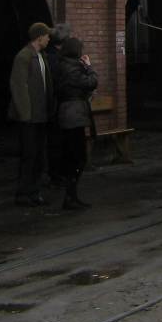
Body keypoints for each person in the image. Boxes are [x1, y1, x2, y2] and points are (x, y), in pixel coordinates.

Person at [9, 22, 53, 206]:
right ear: (39, 36)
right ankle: (23, 192)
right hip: (29, 117)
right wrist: (25, 114)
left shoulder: (41, 56)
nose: (49, 39)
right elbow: (19, 86)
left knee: (37, 156)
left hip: (41, 114)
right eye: (47, 35)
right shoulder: (24, 56)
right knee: (28, 155)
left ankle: (34, 191)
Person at [54, 38, 97, 211]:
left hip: (68, 113)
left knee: (73, 157)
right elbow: (91, 82)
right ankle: (70, 197)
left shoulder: (62, 65)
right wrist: (89, 66)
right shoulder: (72, 68)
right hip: (73, 114)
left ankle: (71, 195)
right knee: (77, 157)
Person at [44, 23, 72, 186]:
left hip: (54, 105)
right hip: (57, 106)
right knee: (57, 141)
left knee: (55, 141)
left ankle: (56, 172)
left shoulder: (48, 55)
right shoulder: (56, 59)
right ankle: (57, 174)